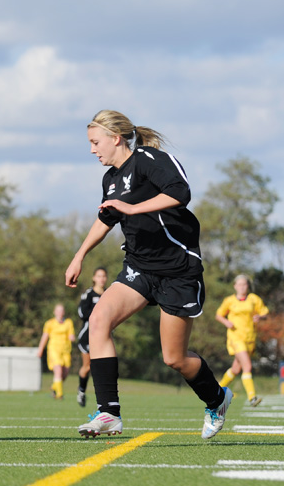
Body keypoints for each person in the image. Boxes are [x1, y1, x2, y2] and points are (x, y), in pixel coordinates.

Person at [65, 109, 232, 440]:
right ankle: (109, 413)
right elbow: (106, 218)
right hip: (139, 268)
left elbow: (180, 192)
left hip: (177, 271)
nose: (92, 149)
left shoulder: (149, 159)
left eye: (95, 142)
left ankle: (217, 398)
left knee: (174, 359)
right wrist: (79, 255)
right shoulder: (110, 179)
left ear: (116, 139)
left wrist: (131, 207)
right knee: (98, 322)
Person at [215, 274, 269, 407]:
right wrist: (226, 322)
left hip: (250, 338)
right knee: (247, 366)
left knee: (235, 369)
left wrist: (260, 318)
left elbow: (265, 313)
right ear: (235, 286)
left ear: (248, 286)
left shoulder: (253, 299)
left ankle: (215, 391)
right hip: (235, 337)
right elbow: (219, 315)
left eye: (244, 284)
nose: (242, 287)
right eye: (239, 284)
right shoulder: (229, 300)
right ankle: (252, 397)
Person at [75, 267, 108, 407]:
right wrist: (98, 314)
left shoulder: (109, 294)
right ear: (94, 278)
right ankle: (81, 391)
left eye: (104, 276)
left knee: (104, 367)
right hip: (88, 336)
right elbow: (82, 313)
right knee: (88, 366)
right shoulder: (88, 294)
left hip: (105, 336)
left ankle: (104, 399)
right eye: (99, 276)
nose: (101, 279)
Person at [36, 304, 76, 400]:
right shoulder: (49, 323)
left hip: (66, 350)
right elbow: (45, 336)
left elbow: (71, 334)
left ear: (64, 312)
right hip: (54, 349)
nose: (60, 313)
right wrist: (40, 349)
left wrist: (72, 337)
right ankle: (59, 394)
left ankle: (55, 386)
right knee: (58, 370)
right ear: (54, 312)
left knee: (64, 374)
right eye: (58, 310)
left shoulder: (68, 322)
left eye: (61, 310)